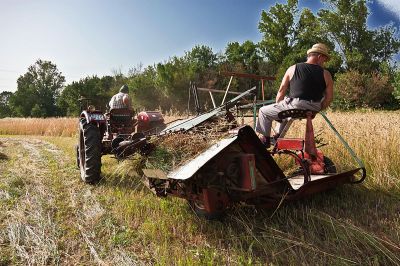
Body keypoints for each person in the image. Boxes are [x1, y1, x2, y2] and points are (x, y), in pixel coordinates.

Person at [256, 43, 334, 146]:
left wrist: (279, 105)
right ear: (319, 56)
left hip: (295, 105)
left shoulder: (293, 68)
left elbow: (281, 90)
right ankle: (277, 135)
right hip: (314, 107)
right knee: (285, 110)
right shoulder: (326, 74)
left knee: (263, 111)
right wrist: (317, 109)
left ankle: (265, 139)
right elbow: (329, 98)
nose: (324, 63)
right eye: (324, 60)